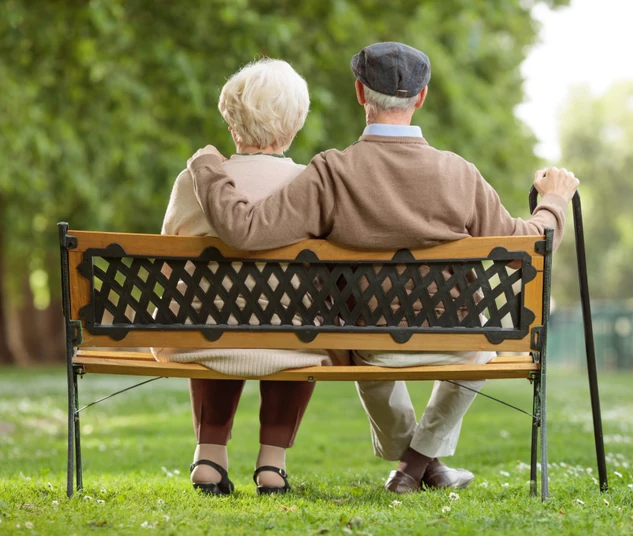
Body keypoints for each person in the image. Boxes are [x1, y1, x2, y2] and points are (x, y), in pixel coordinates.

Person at [186, 42, 580, 494]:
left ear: (360, 92)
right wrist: (554, 200)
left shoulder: (332, 171)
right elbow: (532, 245)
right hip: (458, 340)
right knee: (482, 346)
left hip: (371, 345)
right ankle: (419, 463)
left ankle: (415, 465)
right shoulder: (459, 174)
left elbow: (247, 230)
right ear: (421, 97)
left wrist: (208, 168)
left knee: (365, 341)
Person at [154, 58, 333, 496]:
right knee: (295, 321)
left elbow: (167, 261)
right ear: (295, 123)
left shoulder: (192, 182)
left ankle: (208, 457)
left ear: (232, 122)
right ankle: (272, 464)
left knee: (211, 311)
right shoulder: (309, 184)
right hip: (292, 342)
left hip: (202, 338)